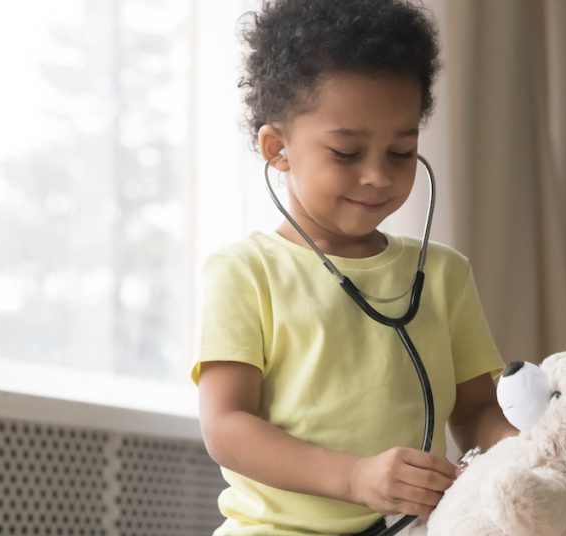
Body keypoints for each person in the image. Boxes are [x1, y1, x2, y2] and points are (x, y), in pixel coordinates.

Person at [193, 1, 518, 534]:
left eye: (401, 151)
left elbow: (478, 408)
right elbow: (226, 426)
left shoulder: (444, 275)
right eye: (346, 152)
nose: (377, 176)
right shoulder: (244, 272)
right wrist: (354, 478)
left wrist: (518, 450)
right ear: (278, 150)